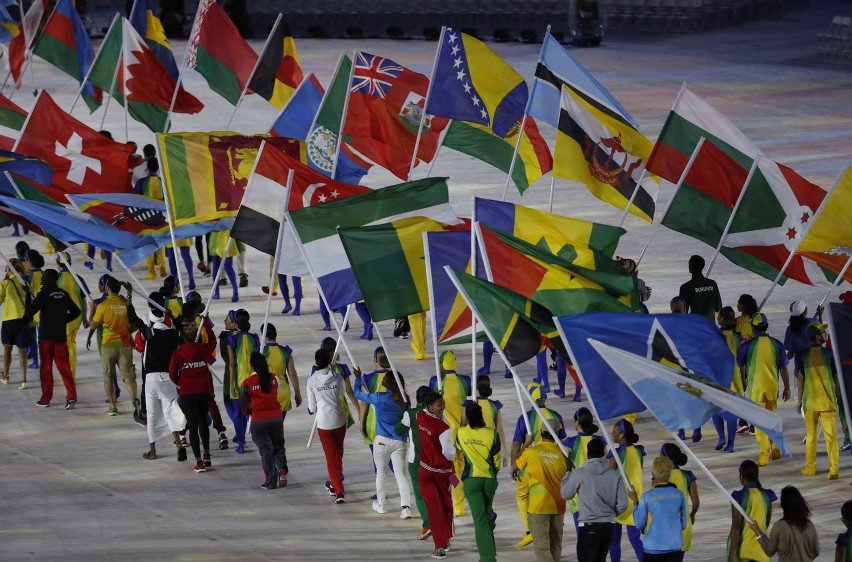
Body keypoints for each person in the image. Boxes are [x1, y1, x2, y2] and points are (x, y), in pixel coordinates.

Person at [512, 383, 567, 548]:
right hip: (552, 463)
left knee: (522, 496)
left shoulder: (525, 418)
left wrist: (515, 464)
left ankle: (530, 531)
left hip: (530, 463)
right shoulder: (556, 416)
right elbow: (561, 440)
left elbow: (516, 444)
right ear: (545, 397)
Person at [353, 367, 412, 517]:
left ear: (388, 383)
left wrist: (358, 378)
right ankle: (406, 508)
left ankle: (381, 504)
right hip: (400, 441)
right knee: (401, 474)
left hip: (381, 441)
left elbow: (357, 394)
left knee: (381, 473)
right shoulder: (405, 400)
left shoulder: (379, 397)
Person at [135, 292, 186, 461]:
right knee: (170, 411)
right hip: (168, 376)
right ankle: (178, 443)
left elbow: (133, 319)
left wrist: (128, 297)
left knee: (152, 414)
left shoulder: (148, 331)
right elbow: (184, 334)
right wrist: (174, 318)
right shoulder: (172, 333)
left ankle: (152, 450)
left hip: (151, 378)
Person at [738, 312, 791, 466]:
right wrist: (787, 387)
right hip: (772, 388)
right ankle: (775, 446)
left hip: (756, 389)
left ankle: (763, 455)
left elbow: (740, 364)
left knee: (760, 423)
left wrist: (744, 382)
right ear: (766, 326)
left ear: (753, 328)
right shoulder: (777, 344)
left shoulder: (747, 345)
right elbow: (784, 369)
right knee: (771, 418)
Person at [561, 439, 627, 562]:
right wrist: (608, 514)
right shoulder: (615, 475)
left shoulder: (579, 473)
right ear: (603, 453)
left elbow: (565, 494)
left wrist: (567, 473)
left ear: (588, 453)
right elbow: (623, 504)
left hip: (589, 528)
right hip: (607, 528)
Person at [26, 269, 80, 409]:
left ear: (47, 279)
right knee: (65, 369)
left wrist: (27, 294)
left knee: (46, 369)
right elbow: (77, 312)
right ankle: (71, 397)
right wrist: (62, 320)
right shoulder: (63, 294)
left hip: (46, 338)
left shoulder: (43, 294)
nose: (42, 279)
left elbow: (29, 312)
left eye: (43, 277)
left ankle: (46, 399)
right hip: (60, 337)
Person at [87, 277, 140, 419]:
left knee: (108, 376)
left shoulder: (103, 306)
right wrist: (125, 333)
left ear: (107, 288)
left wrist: (92, 309)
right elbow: (134, 324)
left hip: (108, 345)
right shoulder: (125, 303)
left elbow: (92, 325)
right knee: (129, 376)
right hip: (125, 345)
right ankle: (135, 400)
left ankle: (113, 406)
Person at [512, 427, 566, 562]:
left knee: (541, 547)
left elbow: (515, 466)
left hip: (539, 506)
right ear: (557, 435)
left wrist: (527, 443)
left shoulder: (531, 452)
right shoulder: (564, 454)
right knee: (556, 544)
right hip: (558, 505)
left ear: (541, 434)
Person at [456, 402, 501, 562]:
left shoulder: (460, 433)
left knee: (480, 518)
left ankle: (488, 558)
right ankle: (489, 553)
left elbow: (458, 449)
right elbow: (497, 461)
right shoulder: (492, 434)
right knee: (486, 516)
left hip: (471, 481)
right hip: (489, 480)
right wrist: (492, 472)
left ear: (467, 417)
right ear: (482, 416)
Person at [170, 320, 217, 472]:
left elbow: (172, 374)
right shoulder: (202, 349)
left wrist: (180, 382)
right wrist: (207, 327)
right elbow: (213, 342)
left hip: (188, 393)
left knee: (193, 425)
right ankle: (207, 454)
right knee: (203, 422)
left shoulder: (177, 353)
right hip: (204, 391)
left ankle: (199, 462)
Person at [428, 351, 471, 517]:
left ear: (441, 365)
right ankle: (459, 505)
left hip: (444, 437)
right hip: (461, 434)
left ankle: (447, 502)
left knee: (446, 472)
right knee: (457, 471)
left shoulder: (435, 381)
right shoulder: (465, 381)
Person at [796, 322, 840, 479]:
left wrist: (799, 401)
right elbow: (835, 377)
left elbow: (800, 379)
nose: (825, 334)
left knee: (812, 436)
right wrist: (838, 396)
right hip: (827, 401)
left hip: (811, 402)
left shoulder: (802, 355)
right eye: (822, 332)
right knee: (831, 437)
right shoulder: (830, 354)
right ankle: (833, 468)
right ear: (816, 336)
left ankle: (810, 468)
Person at [307, 347, 348, 504]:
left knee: (331, 457)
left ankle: (339, 491)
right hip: (339, 420)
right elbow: (341, 395)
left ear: (316, 362)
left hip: (324, 423)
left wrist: (313, 409)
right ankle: (334, 482)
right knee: (337, 454)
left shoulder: (312, 381)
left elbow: (311, 407)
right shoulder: (338, 378)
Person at [417, 391, 455, 559]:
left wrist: (434, 396)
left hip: (425, 472)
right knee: (445, 505)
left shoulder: (419, 417)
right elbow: (449, 453)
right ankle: (443, 542)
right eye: (439, 405)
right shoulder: (443, 428)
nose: (442, 408)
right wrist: (456, 451)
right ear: (430, 406)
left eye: (443, 404)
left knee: (435, 508)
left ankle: (442, 543)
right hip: (445, 474)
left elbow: (418, 409)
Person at [240, 352, 287, 489]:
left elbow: (242, 403)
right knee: (278, 445)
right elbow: (276, 393)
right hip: (276, 418)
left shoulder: (247, 383)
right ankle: (282, 470)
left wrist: (248, 412)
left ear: (252, 366)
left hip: (259, 420)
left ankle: (271, 482)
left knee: (266, 451)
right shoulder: (273, 378)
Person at [629, 456, 687, 562]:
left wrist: (635, 502)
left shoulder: (647, 496)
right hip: (675, 547)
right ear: (669, 473)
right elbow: (683, 524)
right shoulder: (679, 494)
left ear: (653, 474)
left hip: (653, 548)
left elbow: (639, 523)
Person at [396, 385, 433, 541]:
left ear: (417, 399)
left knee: (419, 495)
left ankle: (427, 524)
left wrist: (402, 412)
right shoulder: (436, 413)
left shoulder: (411, 414)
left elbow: (398, 430)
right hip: (435, 463)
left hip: (416, 463)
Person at [564, 407, 607, 531]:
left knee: (582, 535)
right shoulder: (601, 441)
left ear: (578, 422)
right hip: (599, 492)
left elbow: (563, 463)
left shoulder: (570, 443)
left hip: (579, 496)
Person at [608, 419, 645, 562]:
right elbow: (638, 471)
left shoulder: (616, 453)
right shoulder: (639, 450)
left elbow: (608, 476)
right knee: (635, 540)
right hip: (635, 498)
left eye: (615, 431)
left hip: (619, 501)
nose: (612, 433)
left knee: (614, 540)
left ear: (622, 435)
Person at [749, 486, 819, 562]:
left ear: (782, 505)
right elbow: (816, 552)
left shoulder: (779, 526)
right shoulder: (809, 525)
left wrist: (757, 532)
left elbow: (769, 551)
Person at [727, 460, 777, 562]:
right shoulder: (767, 495)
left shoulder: (738, 496)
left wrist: (731, 554)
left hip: (745, 551)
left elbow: (736, 526)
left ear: (741, 476)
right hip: (762, 551)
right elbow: (766, 522)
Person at [225, 309, 260, 453]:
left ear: (236, 324)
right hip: (253, 379)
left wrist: (232, 384)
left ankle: (241, 444)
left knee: (239, 414)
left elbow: (232, 364)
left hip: (239, 381)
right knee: (254, 412)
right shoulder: (255, 338)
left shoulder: (232, 340)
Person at [713, 306, 743, 453]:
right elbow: (741, 359)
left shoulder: (716, 335)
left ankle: (721, 438)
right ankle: (730, 443)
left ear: (723, 319)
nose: (717, 317)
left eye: (719, 315)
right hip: (734, 377)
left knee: (715, 409)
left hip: (719, 376)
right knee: (731, 411)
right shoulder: (738, 336)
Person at [661, 443, 700, 556]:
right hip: (684, 525)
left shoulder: (661, 477)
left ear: (666, 457)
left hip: (665, 526)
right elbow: (696, 503)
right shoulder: (688, 475)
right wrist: (691, 515)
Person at [462, 375, 508, 470]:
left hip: (472, 446)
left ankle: (455, 484)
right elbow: (500, 431)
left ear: (475, 387)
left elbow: (462, 426)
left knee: (461, 474)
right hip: (488, 446)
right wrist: (505, 453)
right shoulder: (494, 406)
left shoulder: (468, 405)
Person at [0, 259, 33, 388]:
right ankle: (24, 380)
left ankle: (6, 376)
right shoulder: (25, 283)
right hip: (23, 321)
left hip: (9, 321)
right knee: (22, 351)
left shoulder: (5, 284)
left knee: (7, 349)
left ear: (9, 270)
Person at [56, 256, 88, 377]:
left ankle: (68, 374)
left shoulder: (56, 279)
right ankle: (72, 373)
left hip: (63, 319)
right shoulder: (78, 278)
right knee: (72, 343)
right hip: (77, 318)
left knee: (65, 346)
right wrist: (85, 319)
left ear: (58, 264)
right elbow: (85, 302)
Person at [678, 254, 722, 321]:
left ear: (691, 266)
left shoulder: (685, 287)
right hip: (710, 327)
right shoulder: (712, 284)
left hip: (696, 326)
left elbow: (683, 312)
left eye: (689, 264)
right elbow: (718, 308)